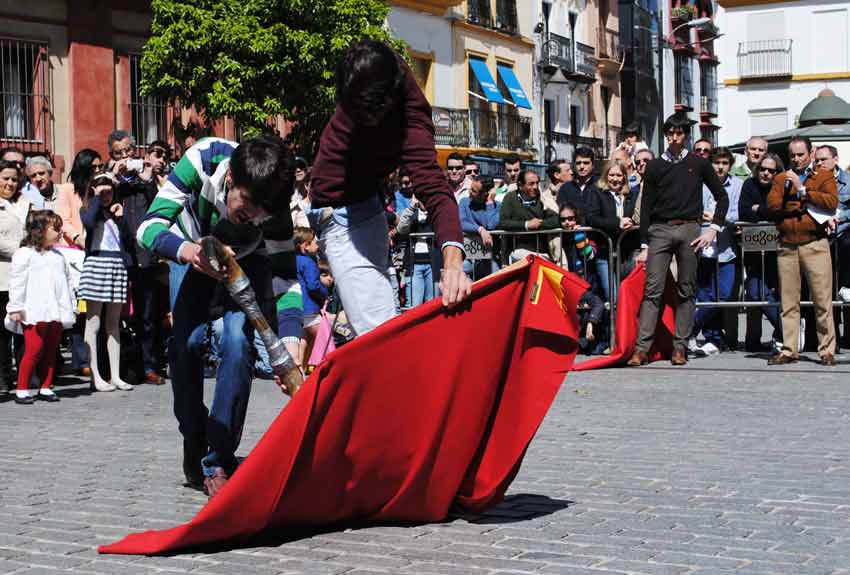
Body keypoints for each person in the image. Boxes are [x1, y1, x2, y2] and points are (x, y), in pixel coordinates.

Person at [137, 135, 295, 497]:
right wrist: (189, 252)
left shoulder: (273, 205)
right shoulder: (202, 160)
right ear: (231, 179)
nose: (253, 217)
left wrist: (290, 335)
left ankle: (220, 459)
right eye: (248, 204)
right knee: (187, 344)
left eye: (263, 213)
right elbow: (148, 228)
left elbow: (286, 277)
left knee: (238, 343)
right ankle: (194, 437)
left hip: (245, 262)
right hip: (192, 249)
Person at [309, 39, 470, 337]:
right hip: (335, 209)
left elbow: (433, 186)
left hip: (365, 206)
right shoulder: (359, 74)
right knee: (381, 335)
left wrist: (453, 260)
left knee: (385, 334)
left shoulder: (411, 118)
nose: (358, 121)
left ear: (389, 102)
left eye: (368, 117)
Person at [627, 113, 728, 367]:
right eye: (670, 133)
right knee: (653, 291)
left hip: (690, 230)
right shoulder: (655, 166)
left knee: (686, 289)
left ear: (685, 135)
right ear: (665, 135)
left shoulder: (699, 163)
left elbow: (721, 197)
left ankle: (680, 347)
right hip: (660, 230)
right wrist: (644, 244)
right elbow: (647, 205)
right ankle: (642, 349)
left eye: (679, 133)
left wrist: (713, 228)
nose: (674, 137)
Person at [766, 136, 837, 366]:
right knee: (788, 301)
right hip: (787, 244)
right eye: (792, 155)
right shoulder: (780, 179)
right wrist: (800, 202)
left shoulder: (824, 175)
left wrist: (802, 190)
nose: (796, 159)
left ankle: (826, 349)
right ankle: (789, 349)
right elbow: (773, 206)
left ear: (811, 153)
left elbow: (831, 202)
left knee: (822, 300)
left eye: (800, 154)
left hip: (814, 243)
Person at [109, 131, 167, 385]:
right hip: (119, 254)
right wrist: (114, 174)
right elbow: (100, 200)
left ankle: (149, 365)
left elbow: (158, 205)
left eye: (128, 151)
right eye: (118, 153)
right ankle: (118, 366)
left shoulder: (147, 178)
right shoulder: (111, 179)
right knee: (117, 316)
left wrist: (146, 178)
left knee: (147, 314)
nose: (125, 156)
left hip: (144, 255)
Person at [5, 211, 76, 404]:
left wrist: (71, 305)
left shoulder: (58, 256)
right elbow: (17, 283)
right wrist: (15, 308)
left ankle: (45, 387)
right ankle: (22, 388)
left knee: (51, 350)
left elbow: (68, 283)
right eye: (56, 228)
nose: (60, 232)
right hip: (33, 311)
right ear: (40, 230)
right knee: (33, 350)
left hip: (56, 311)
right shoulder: (25, 254)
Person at [79, 172, 134, 393]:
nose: (105, 195)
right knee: (93, 322)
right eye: (101, 190)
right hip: (96, 264)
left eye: (109, 190)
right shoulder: (89, 209)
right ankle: (95, 376)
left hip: (117, 267)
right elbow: (89, 222)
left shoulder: (118, 212)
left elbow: (130, 240)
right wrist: (95, 198)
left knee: (113, 324)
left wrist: (121, 217)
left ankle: (116, 375)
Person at [690, 147, 743, 355]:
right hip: (703, 248)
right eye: (716, 163)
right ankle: (713, 338)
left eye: (724, 163)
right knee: (705, 295)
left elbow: (738, 213)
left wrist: (717, 217)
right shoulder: (701, 185)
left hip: (726, 249)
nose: (720, 167)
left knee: (725, 293)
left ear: (730, 165)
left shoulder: (737, 185)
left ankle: (689, 329)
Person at [56, 149, 102, 377]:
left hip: (94, 252)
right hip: (72, 252)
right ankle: (80, 359)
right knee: (77, 308)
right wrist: (78, 238)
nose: (97, 171)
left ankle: (92, 357)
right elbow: (62, 220)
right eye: (93, 167)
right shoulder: (66, 190)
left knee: (91, 307)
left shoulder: (96, 190)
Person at [738, 153, 784, 352]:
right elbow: (744, 212)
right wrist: (764, 211)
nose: (766, 173)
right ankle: (785, 331)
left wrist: (760, 209)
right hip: (754, 252)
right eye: (763, 169)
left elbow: (781, 211)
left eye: (771, 170)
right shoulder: (749, 185)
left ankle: (782, 336)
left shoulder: (782, 186)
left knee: (778, 295)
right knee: (756, 293)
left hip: (780, 251)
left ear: (777, 172)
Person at [0, 160, 32, 394]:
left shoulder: (25, 203)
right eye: (5, 178)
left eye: (14, 179)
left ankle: (25, 376)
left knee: (24, 328)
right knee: (2, 331)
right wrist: (22, 252)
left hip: (26, 276)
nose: (10, 183)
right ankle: (2, 378)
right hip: (3, 275)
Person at [587, 159, 638, 299]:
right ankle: (614, 321)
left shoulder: (630, 195)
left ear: (624, 177)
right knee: (613, 297)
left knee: (628, 296)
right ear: (605, 176)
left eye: (619, 175)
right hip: (605, 252)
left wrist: (631, 222)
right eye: (611, 175)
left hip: (626, 254)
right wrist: (617, 223)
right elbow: (592, 218)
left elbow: (636, 215)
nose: (615, 179)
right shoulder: (596, 192)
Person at [499, 169, 559, 262]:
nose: (535, 187)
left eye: (537, 183)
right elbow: (503, 222)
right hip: (517, 250)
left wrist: (539, 224)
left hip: (541, 251)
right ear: (520, 185)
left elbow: (557, 219)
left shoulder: (542, 200)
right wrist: (526, 225)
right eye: (531, 184)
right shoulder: (510, 198)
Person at [397, 195, 442, 306]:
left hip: (433, 265)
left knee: (432, 304)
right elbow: (401, 228)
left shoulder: (437, 213)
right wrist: (412, 207)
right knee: (414, 304)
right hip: (414, 265)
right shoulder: (412, 213)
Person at [294, 226, 329, 367]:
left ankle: (301, 368)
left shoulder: (294, 260)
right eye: (314, 242)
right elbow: (313, 285)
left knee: (304, 340)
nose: (317, 244)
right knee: (326, 339)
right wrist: (325, 293)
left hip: (298, 306)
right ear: (305, 246)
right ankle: (328, 367)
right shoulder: (309, 262)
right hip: (310, 308)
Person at [458, 174, 500, 279]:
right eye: (470, 188)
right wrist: (480, 229)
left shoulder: (497, 206)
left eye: (474, 191)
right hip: (469, 256)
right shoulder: (464, 202)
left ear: (484, 194)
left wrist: (490, 203)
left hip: (490, 257)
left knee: (494, 281)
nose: (469, 192)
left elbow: (490, 225)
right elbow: (461, 223)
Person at [557, 146, 599, 215]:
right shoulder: (565, 188)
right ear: (574, 165)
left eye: (586, 163)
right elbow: (563, 212)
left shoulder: (600, 186)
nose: (582, 166)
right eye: (578, 163)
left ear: (593, 165)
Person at [629, 148, 655, 226]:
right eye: (637, 162)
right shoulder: (632, 183)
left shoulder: (662, 182)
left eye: (646, 160)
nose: (641, 163)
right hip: (635, 230)